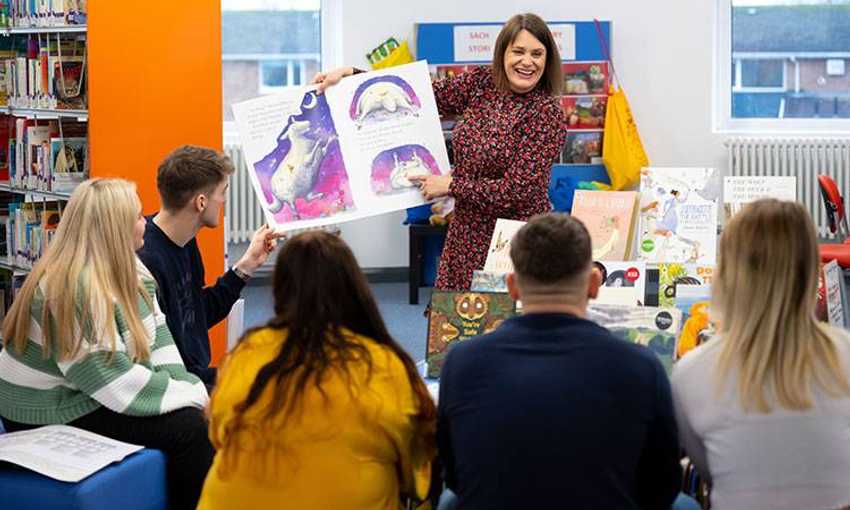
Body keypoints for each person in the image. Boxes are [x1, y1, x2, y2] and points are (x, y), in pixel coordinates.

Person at [436, 213, 682, 509]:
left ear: (512, 286)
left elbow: (455, 475)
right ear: (594, 284)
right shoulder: (641, 366)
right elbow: (662, 484)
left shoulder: (461, 362)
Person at [0, 178, 213, 510]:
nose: (146, 222)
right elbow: (109, 380)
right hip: (48, 407)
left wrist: (190, 388)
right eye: (138, 216)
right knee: (191, 430)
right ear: (115, 228)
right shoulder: (69, 289)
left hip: (84, 389)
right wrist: (193, 399)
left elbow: (160, 342)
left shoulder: (131, 269)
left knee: (203, 404)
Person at [314, 13, 566, 290]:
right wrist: (351, 76)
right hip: (465, 234)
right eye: (518, 51)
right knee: (452, 324)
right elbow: (420, 95)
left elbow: (517, 192)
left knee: (503, 327)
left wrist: (451, 185)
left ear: (547, 60)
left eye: (537, 54)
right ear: (502, 52)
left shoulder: (547, 113)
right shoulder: (482, 83)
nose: (527, 61)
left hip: (514, 240)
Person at [197, 231, 436, 510]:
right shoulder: (383, 365)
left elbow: (219, 433)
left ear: (279, 291)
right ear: (354, 289)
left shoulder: (246, 353)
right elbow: (417, 470)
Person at [671, 199, 850, 510]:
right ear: (811, 270)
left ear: (726, 272)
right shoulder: (844, 355)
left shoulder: (692, 372)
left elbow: (709, 471)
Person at [137, 145, 282, 386]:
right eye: (223, 192)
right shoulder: (147, 262)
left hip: (192, 375)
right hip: (178, 385)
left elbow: (197, 315)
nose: (224, 200)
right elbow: (166, 370)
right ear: (201, 202)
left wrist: (246, 265)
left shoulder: (185, 241)